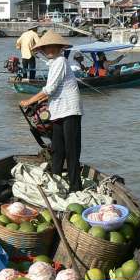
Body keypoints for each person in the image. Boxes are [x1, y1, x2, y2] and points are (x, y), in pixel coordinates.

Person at [19, 31, 83, 191]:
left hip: (70, 111)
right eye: (46, 48)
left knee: (71, 150)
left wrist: (29, 101)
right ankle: (55, 181)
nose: (49, 50)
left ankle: (75, 187)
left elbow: (50, 88)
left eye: (52, 47)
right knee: (57, 150)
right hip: (58, 111)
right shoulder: (54, 63)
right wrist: (38, 100)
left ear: (59, 47)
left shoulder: (60, 60)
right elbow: (54, 91)